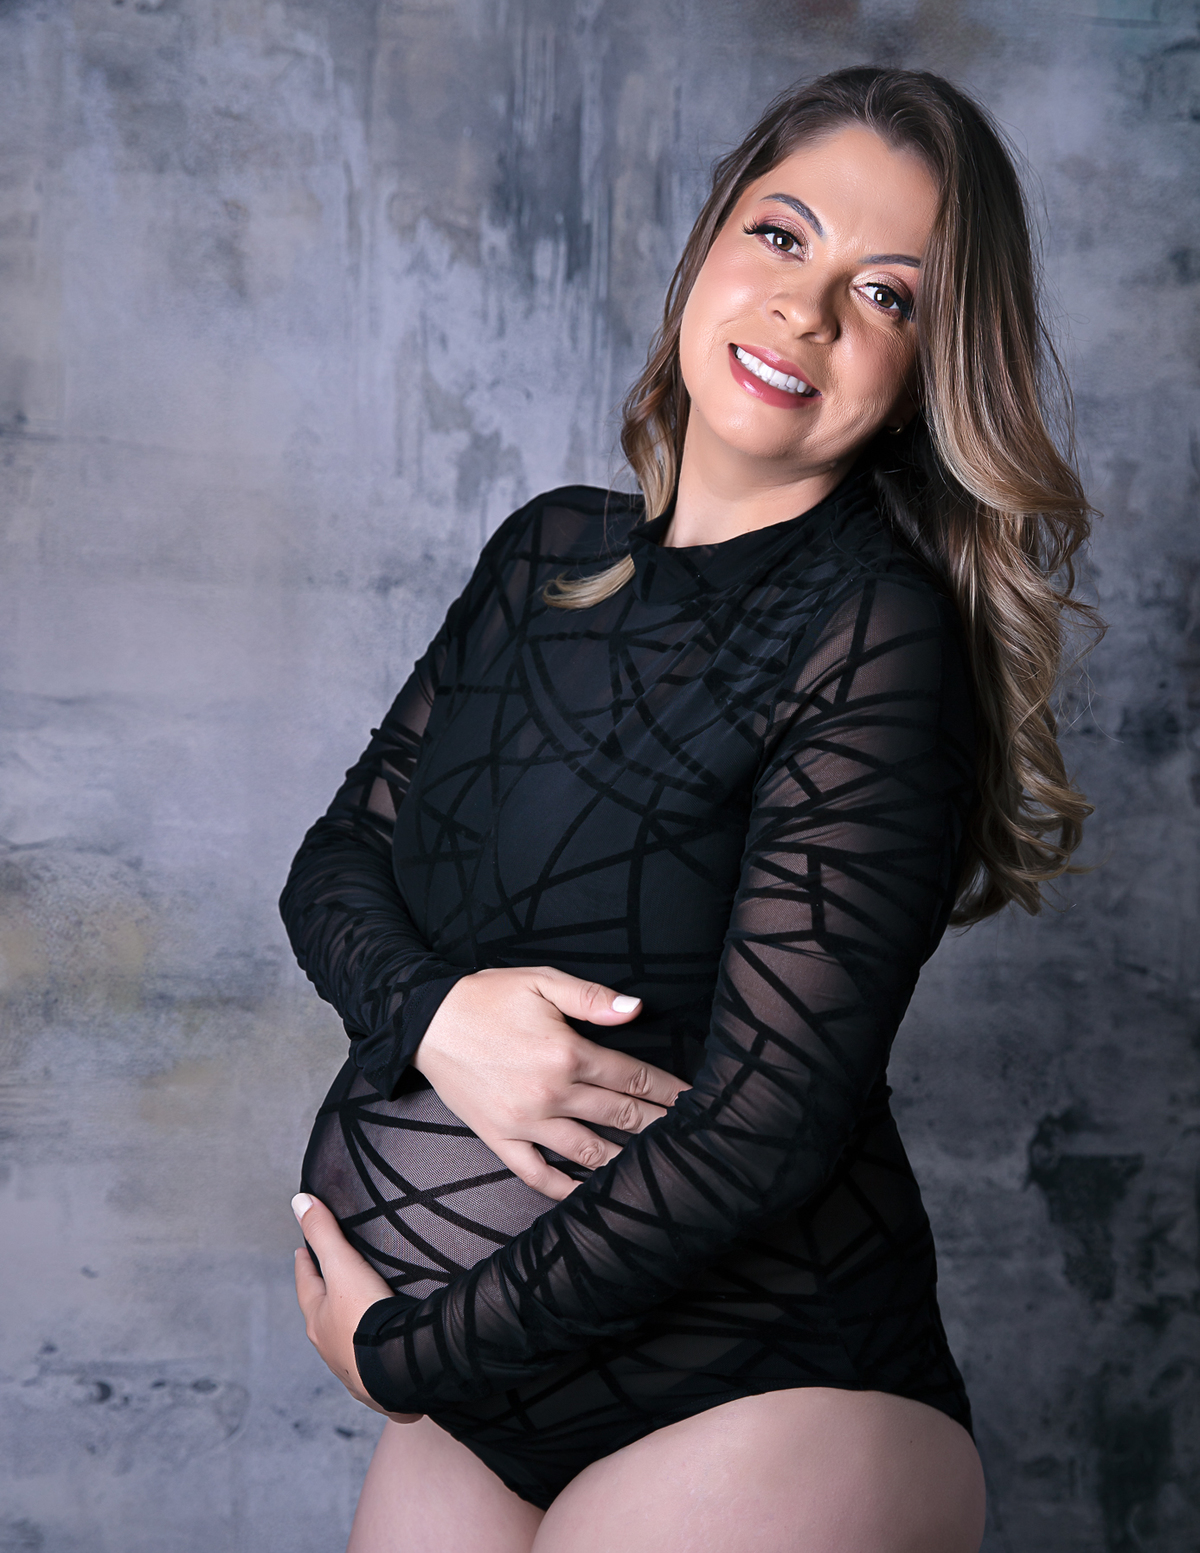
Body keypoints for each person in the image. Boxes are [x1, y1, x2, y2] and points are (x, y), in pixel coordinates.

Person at [279, 65, 1097, 1553]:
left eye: (885, 295)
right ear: (710, 242)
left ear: (927, 371)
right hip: (496, 1400)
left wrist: (411, 1353)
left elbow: (764, 1129)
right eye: (781, 236)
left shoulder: (874, 633)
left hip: (762, 1390)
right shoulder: (542, 555)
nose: (805, 309)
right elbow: (336, 865)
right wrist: (436, 1015)